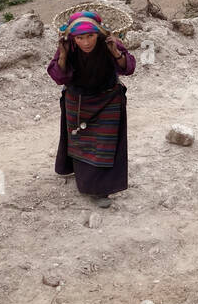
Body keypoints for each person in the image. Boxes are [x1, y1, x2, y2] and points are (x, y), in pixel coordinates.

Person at [47, 11, 136, 208]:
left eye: (90, 36)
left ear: (99, 34)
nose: (86, 42)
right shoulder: (67, 46)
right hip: (78, 100)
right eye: (80, 37)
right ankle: (83, 178)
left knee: (105, 143)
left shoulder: (110, 43)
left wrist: (115, 52)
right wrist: (62, 55)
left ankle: (101, 189)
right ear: (73, 38)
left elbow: (128, 68)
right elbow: (58, 77)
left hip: (108, 98)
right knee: (81, 141)